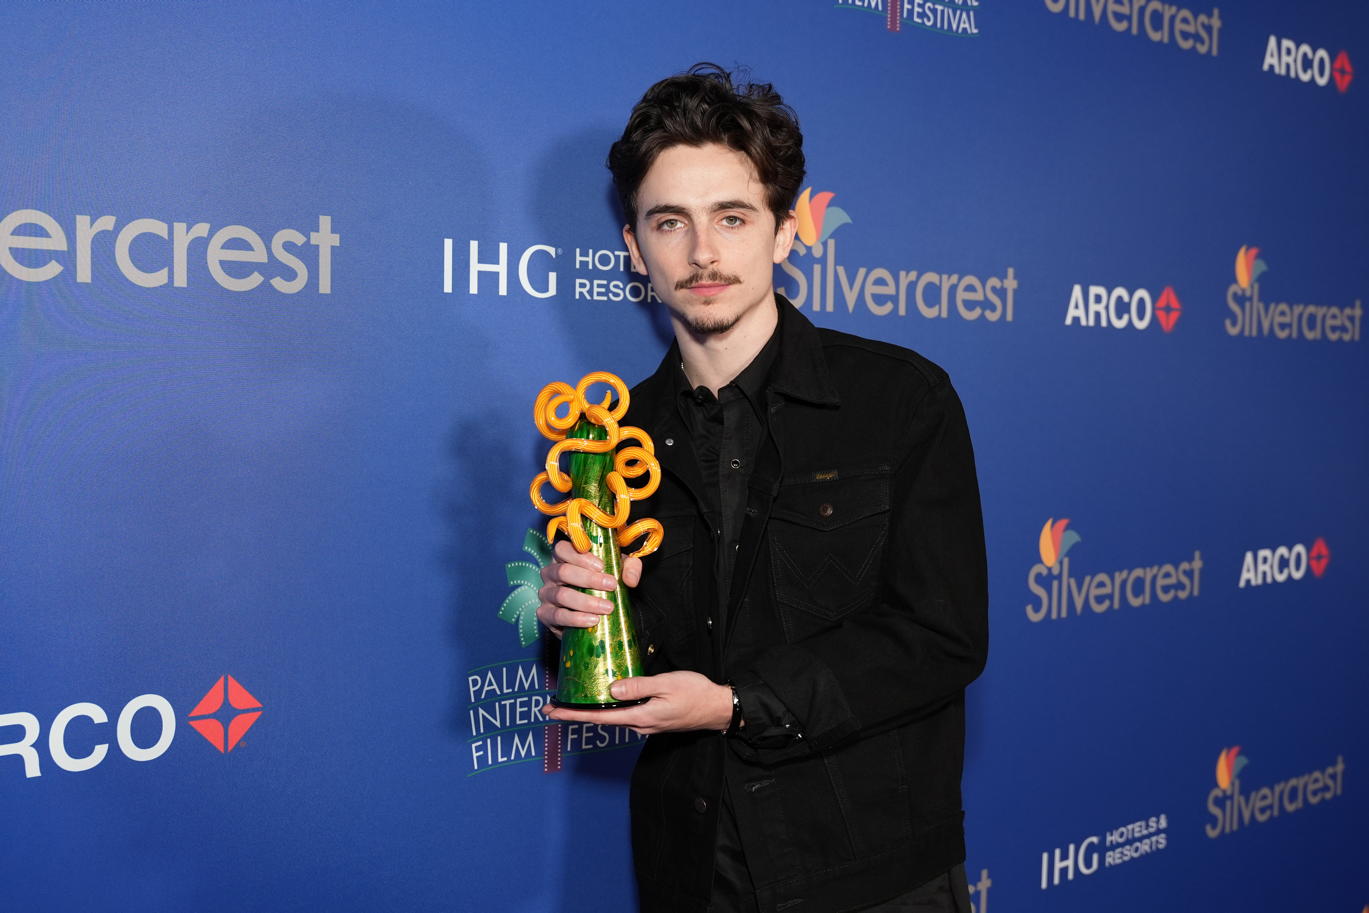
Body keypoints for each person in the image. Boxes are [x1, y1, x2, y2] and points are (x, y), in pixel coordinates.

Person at [538, 63, 988, 913]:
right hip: (690, 871)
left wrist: (736, 704)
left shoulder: (900, 400)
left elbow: (940, 635)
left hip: (870, 876)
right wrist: (574, 621)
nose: (702, 253)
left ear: (785, 231)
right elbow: (618, 663)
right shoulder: (607, 438)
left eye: (732, 217)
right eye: (669, 222)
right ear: (633, 248)